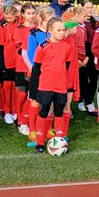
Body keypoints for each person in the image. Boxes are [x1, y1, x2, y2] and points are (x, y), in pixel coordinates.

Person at [32, 17, 74, 154]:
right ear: (50, 31)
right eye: (59, 30)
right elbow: (36, 70)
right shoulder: (42, 46)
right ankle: (39, 142)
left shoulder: (67, 47)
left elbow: (66, 67)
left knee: (59, 112)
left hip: (61, 87)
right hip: (45, 86)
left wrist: (66, 86)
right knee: (44, 112)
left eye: (63, 30)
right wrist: (34, 89)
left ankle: (60, 140)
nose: (62, 32)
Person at [25, 6, 55, 144]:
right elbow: (31, 56)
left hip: (52, 74)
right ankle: (32, 130)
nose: (51, 22)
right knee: (35, 101)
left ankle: (48, 128)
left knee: (50, 101)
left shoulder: (54, 34)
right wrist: (40, 69)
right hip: (38, 74)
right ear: (41, 19)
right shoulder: (34, 34)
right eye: (49, 20)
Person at [0, 5, 21, 124]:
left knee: (17, 87)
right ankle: (7, 111)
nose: (9, 19)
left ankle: (16, 111)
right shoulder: (2, 26)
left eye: (11, 17)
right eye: (7, 17)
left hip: (19, 61)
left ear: (16, 15)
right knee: (7, 87)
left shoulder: (20, 23)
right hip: (6, 60)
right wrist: (1, 63)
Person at [14, 3, 37, 136]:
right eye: (28, 13)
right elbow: (21, 48)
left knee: (31, 95)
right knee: (22, 94)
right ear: (23, 15)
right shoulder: (19, 28)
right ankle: (19, 116)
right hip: (22, 66)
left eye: (33, 13)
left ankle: (26, 119)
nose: (31, 16)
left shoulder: (38, 28)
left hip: (34, 67)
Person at [79, 0, 99, 115]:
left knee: (93, 79)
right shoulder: (78, 23)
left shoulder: (95, 23)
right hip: (83, 55)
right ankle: (83, 101)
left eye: (91, 7)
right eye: (87, 7)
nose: (90, 9)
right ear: (82, 8)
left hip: (93, 55)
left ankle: (89, 100)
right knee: (83, 80)